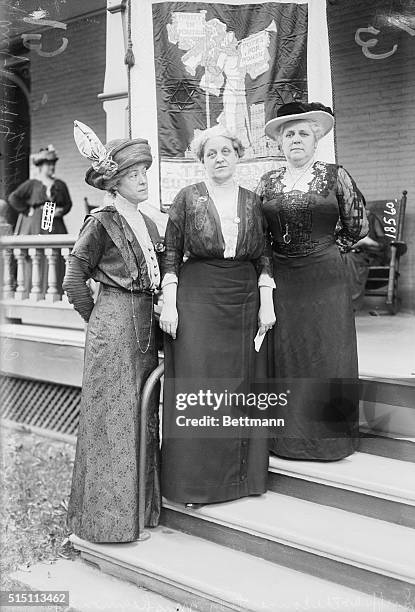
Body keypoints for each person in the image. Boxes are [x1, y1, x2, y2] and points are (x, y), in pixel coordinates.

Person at [159, 125, 275, 506]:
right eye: (212, 153)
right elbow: (171, 254)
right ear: (202, 160)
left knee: (241, 384)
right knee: (199, 384)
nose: (220, 158)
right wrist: (171, 302)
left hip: (242, 298)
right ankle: (196, 483)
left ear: (238, 155)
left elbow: (264, 257)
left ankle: (241, 481)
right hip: (198, 297)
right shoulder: (187, 198)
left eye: (226, 151)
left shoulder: (253, 201)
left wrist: (267, 303)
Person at [63, 121, 162, 542]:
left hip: (146, 325)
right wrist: (102, 322)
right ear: (115, 183)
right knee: (113, 421)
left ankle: (142, 513)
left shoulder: (149, 223)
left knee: (144, 415)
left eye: (144, 173)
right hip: (114, 325)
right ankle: (107, 525)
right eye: (132, 175)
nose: (141, 181)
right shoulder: (101, 221)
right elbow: (73, 279)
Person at [258, 101, 368, 461]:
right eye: (289, 134)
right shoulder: (268, 181)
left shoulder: (335, 175)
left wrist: (325, 248)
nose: (295, 140)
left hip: (325, 279)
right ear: (280, 143)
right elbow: (260, 232)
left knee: (328, 353)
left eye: (303, 133)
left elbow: (358, 226)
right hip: (284, 280)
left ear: (316, 139)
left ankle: (331, 440)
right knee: (289, 355)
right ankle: (288, 440)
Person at [8, 145, 72, 235]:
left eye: (53, 164)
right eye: (49, 164)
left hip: (56, 224)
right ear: (41, 166)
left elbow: (68, 203)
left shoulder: (60, 184)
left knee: (56, 246)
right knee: (38, 246)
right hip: (36, 222)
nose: (52, 167)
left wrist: (61, 211)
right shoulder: (32, 184)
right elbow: (13, 198)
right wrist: (27, 210)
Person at [343, 210, 389, 310]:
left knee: (349, 258)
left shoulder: (370, 218)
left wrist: (366, 242)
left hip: (369, 256)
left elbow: (383, 244)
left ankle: (352, 304)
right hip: (348, 253)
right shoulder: (343, 220)